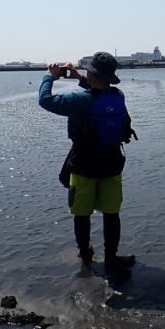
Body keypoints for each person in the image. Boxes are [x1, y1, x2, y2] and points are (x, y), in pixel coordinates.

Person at [38, 51, 137, 278]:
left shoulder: (80, 101)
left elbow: (45, 101)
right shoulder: (118, 96)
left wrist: (49, 77)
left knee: (82, 214)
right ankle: (111, 259)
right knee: (111, 214)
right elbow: (98, 92)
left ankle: (86, 257)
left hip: (84, 167)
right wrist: (80, 78)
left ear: (91, 74)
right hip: (112, 164)